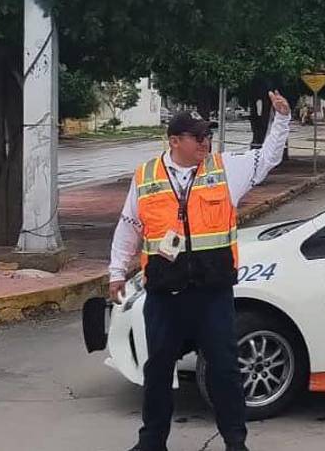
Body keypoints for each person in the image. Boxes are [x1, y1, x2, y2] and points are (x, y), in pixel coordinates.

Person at [109, 92, 291, 451]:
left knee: (224, 370)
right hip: (165, 294)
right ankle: (152, 442)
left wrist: (281, 120)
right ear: (174, 141)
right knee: (158, 370)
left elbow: (267, 159)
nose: (206, 142)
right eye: (198, 137)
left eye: (208, 135)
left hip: (212, 294)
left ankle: (235, 443)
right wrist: (116, 271)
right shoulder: (146, 176)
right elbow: (129, 225)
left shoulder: (224, 170)